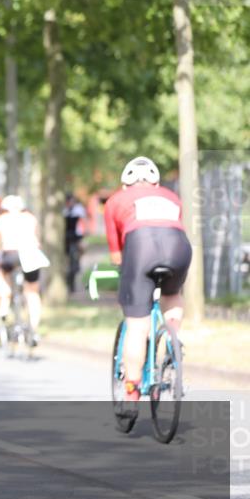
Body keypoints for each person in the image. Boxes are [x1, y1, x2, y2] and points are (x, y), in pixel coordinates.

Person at [104, 156, 191, 407]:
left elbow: (116, 252)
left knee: (137, 327)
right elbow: (173, 227)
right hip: (178, 248)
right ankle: (173, 339)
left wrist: (125, 271)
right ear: (156, 185)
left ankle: (131, 392)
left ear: (124, 185)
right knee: (172, 294)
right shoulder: (172, 197)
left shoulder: (114, 201)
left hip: (141, 248)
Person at [0, 194, 44, 345]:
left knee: (1, 274)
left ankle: (4, 304)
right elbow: (38, 239)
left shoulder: (0, 220)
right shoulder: (30, 218)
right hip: (31, 254)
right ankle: (34, 328)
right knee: (32, 292)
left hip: (10, 254)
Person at [63, 193, 87, 292]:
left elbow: (82, 225)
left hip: (76, 238)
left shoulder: (78, 210)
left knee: (75, 259)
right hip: (66, 239)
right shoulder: (64, 211)